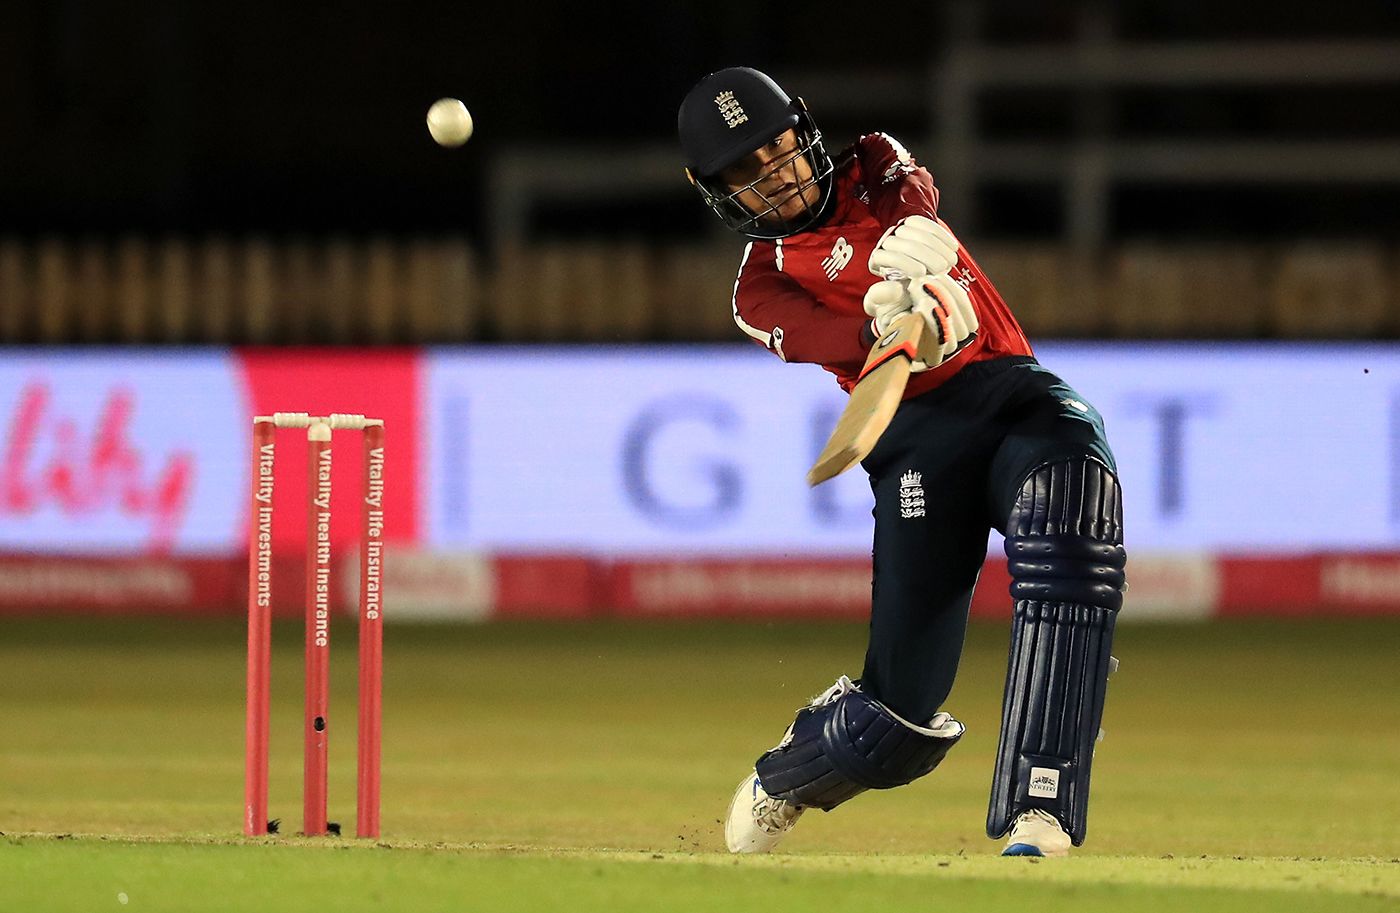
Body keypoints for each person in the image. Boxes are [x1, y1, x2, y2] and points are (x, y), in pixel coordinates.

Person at [677, 67, 1127, 858]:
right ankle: (790, 770)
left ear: (804, 129)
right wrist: (893, 327)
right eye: (746, 169)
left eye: (777, 146)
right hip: (915, 437)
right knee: (895, 723)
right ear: (714, 189)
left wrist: (918, 260)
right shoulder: (760, 288)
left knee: (1072, 515)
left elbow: (912, 191)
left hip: (1010, 389)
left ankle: (1041, 804)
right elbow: (840, 342)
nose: (774, 174)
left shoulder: (874, 160)